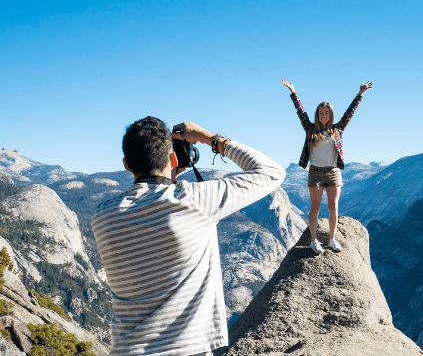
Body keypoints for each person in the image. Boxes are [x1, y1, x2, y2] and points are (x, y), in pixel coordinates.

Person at [91, 117, 285, 356]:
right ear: (173, 159)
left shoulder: (102, 216)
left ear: (126, 164)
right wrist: (211, 139)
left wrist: (168, 175)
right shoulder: (195, 200)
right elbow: (272, 172)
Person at [282, 79, 373, 254]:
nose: (323, 116)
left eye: (326, 113)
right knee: (314, 208)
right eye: (321, 113)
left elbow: (349, 113)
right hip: (315, 172)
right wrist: (293, 92)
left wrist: (360, 94)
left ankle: (332, 240)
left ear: (330, 115)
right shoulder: (310, 129)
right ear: (318, 115)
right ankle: (314, 241)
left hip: (333, 172)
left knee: (333, 207)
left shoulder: (338, 129)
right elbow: (300, 111)